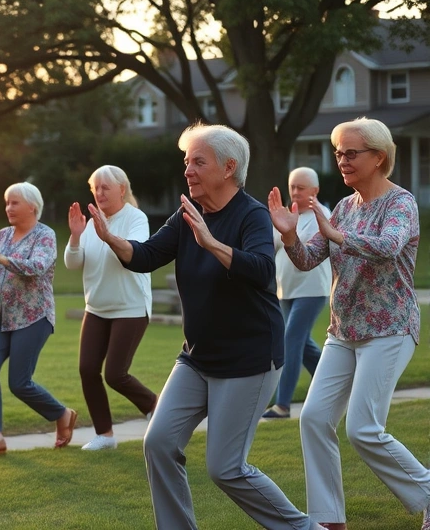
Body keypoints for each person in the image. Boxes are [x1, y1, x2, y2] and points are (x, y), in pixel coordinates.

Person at [90, 123, 316, 529]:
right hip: (197, 357)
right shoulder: (186, 215)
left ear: (229, 168)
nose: (188, 170)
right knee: (158, 443)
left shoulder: (251, 215)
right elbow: (145, 256)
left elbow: (263, 269)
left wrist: (211, 243)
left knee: (226, 468)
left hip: (249, 358)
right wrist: (111, 239)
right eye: (186, 162)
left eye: (198, 161)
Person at [270, 118, 430, 530]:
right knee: (314, 418)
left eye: (351, 153)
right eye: (339, 152)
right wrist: (290, 237)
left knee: (363, 428)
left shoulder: (401, 203)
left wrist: (337, 237)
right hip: (344, 331)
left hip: (390, 327)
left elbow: (389, 247)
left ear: (379, 157)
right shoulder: (342, 208)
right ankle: (328, 520)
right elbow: (307, 259)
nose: (342, 160)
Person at [0, 182, 77, 459]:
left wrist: (1, 259)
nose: (8, 208)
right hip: (0, 316)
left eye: (14, 203)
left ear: (32, 206)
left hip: (33, 317)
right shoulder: (2, 235)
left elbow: (37, 267)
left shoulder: (45, 235)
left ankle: (62, 414)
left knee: (19, 383)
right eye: (7, 203)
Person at [65, 166, 155, 451]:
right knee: (87, 369)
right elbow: (72, 263)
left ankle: (157, 409)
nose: (99, 192)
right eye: (95, 187)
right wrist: (76, 236)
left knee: (116, 374)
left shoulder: (135, 218)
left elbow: (135, 252)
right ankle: (105, 435)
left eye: (105, 187)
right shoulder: (92, 222)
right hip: (97, 307)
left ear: (122, 189)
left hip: (130, 307)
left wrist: (107, 236)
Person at [262, 168, 330, 419]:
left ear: (315, 190)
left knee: (290, 340)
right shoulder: (290, 215)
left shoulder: (322, 216)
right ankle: (337, 386)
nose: (295, 192)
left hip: (311, 291)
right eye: (292, 187)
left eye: (301, 187)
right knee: (304, 346)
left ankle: (283, 405)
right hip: (286, 290)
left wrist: (286, 233)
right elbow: (272, 244)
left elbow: (304, 249)